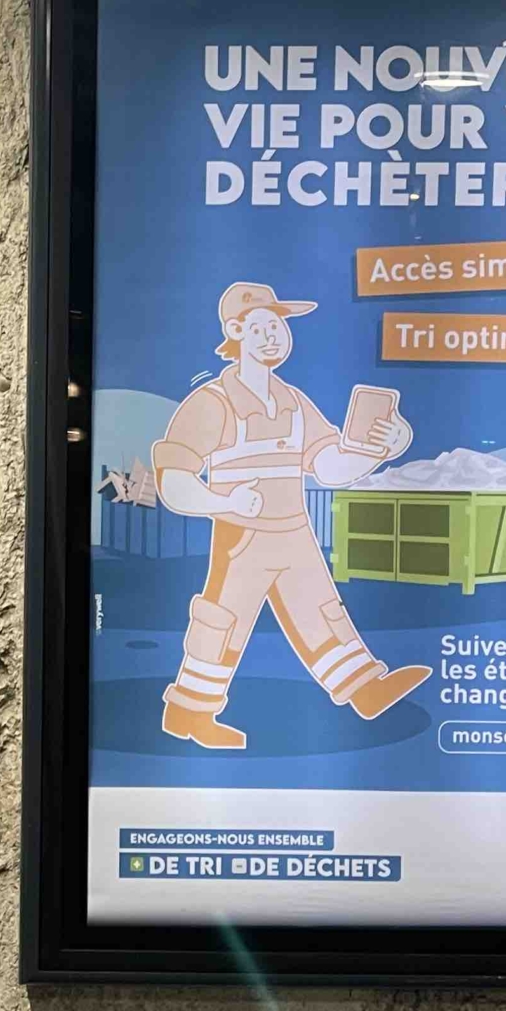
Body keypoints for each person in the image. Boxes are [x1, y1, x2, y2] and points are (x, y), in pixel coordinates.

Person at [151, 281, 432, 746]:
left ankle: (365, 690)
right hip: (242, 540)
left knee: (321, 612)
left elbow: (330, 466)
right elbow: (173, 482)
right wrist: (225, 503)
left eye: (277, 326)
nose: (272, 336)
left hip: (295, 534)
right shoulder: (212, 403)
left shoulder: (295, 403)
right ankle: (189, 712)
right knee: (222, 622)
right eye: (260, 327)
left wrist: (381, 449)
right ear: (235, 331)